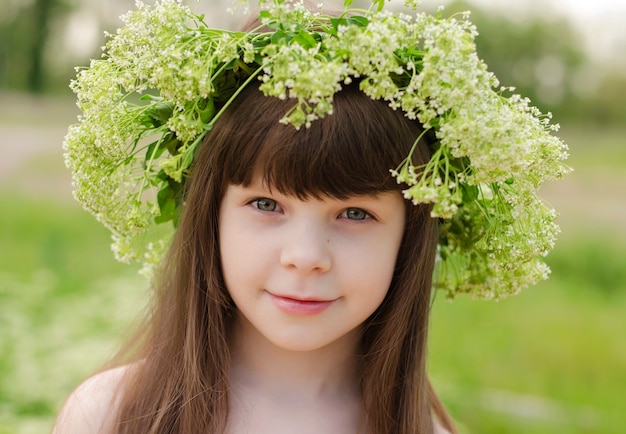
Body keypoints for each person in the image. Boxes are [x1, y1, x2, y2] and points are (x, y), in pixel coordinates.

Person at [54, 0, 570, 433]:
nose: (305, 258)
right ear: (209, 214)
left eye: (354, 213)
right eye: (266, 205)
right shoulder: (109, 416)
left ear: (412, 236)